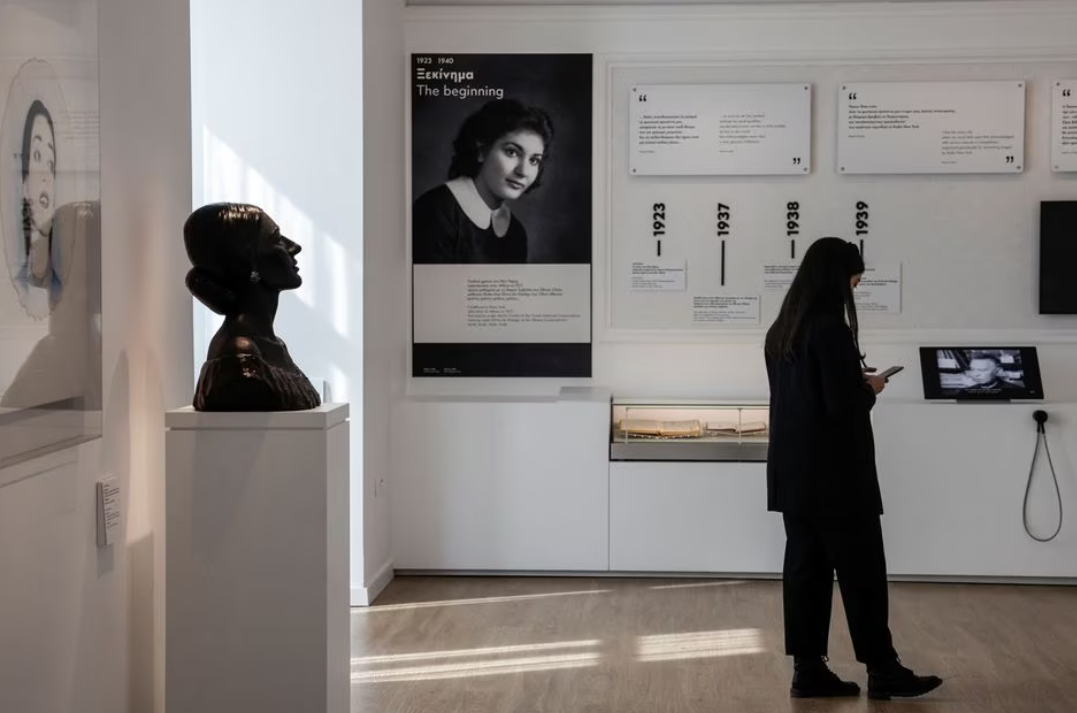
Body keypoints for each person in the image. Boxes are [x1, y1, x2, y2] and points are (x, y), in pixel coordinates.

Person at [763, 237, 942, 700]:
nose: (854, 291)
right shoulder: (831, 330)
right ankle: (882, 668)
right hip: (838, 477)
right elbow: (842, 406)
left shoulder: (782, 330)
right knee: (862, 573)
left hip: (793, 474)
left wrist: (848, 382)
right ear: (835, 279)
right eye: (853, 282)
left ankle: (808, 670)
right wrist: (872, 387)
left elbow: (807, 396)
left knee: (805, 571)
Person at [183, 202, 321, 412]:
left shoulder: (276, 346)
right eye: (276, 239)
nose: (294, 247)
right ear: (250, 262)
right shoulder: (239, 353)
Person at [412, 98, 553, 264]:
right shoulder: (435, 210)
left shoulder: (516, 232)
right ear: (481, 151)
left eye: (534, 160)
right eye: (512, 152)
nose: (523, 171)